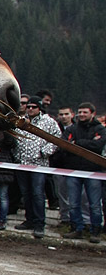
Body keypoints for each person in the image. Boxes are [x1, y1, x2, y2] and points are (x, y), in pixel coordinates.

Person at [13, 97, 60, 239]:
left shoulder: (49, 122)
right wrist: (16, 153)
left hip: (39, 165)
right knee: (26, 193)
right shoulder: (20, 120)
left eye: (34, 107)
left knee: (38, 194)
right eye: (29, 106)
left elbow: (56, 138)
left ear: (39, 108)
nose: (31, 109)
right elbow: (14, 136)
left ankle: (40, 223)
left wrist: (44, 152)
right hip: (22, 163)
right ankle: (29, 220)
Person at [60, 103, 104, 243]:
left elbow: (98, 146)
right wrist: (88, 143)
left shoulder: (100, 129)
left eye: (85, 112)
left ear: (92, 113)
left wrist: (77, 143)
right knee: (73, 202)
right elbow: (65, 145)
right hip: (74, 170)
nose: (82, 114)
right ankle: (76, 228)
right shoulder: (72, 128)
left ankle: (95, 231)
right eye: (80, 112)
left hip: (93, 171)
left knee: (95, 204)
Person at [53, 106, 75, 229]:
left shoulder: (76, 128)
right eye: (61, 114)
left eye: (66, 114)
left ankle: (77, 219)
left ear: (72, 114)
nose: (63, 116)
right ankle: (65, 218)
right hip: (59, 165)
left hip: (74, 166)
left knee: (76, 196)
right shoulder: (56, 128)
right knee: (61, 194)